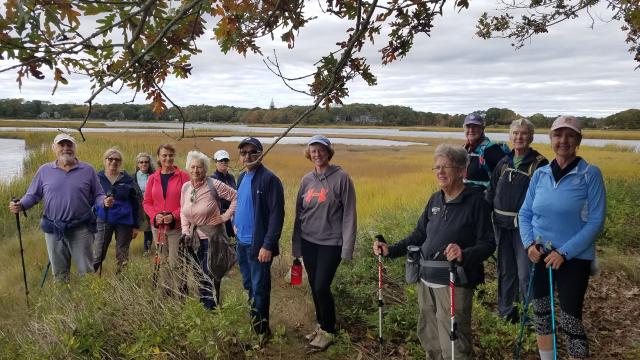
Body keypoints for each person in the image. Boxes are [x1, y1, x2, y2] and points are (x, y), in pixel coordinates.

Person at [373, 144, 495, 360]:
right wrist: (390, 250)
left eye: (445, 166)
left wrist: (463, 253)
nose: (440, 171)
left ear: (461, 170)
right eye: (436, 167)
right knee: (430, 338)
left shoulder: (476, 202)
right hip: (426, 278)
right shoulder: (435, 199)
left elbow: (488, 244)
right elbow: (418, 236)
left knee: (455, 342)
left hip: (454, 281)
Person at [519, 115, 606, 360]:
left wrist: (564, 252)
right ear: (551, 138)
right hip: (541, 254)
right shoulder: (540, 174)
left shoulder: (590, 174)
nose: (563, 140)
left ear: (578, 140)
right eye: (558, 135)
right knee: (542, 314)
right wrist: (529, 244)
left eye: (570, 135)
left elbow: (596, 221)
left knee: (571, 318)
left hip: (574, 258)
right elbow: (525, 213)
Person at [8, 133, 107, 282]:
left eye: (69, 145)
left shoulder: (88, 170)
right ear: (54, 148)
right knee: (59, 274)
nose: (66, 148)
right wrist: (21, 205)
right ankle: (62, 304)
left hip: (82, 228)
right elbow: (33, 195)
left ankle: (89, 304)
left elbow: (99, 195)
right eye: (62, 145)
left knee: (86, 272)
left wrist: (104, 201)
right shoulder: (44, 170)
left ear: (75, 148)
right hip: (53, 229)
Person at [292, 135, 357, 350]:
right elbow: (299, 213)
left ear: (328, 152)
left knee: (321, 286)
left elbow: (349, 214)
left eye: (321, 150)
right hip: (309, 241)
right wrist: (297, 245)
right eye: (313, 150)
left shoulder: (342, 178)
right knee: (313, 285)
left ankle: (329, 331)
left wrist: (347, 248)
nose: (317, 154)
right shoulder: (306, 180)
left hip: (331, 243)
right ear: (308, 154)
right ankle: (321, 326)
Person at [486, 118, 549, 323]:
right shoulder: (503, 163)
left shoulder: (540, 164)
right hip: (501, 227)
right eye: (515, 133)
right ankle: (506, 313)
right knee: (505, 272)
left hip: (526, 231)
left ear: (531, 137)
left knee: (525, 274)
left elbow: (545, 201)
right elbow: (491, 192)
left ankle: (530, 319)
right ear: (509, 136)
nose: (519, 137)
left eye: (523, 133)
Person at [233, 137, 285, 337]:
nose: (247, 156)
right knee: (249, 285)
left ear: (261, 154)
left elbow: (276, 215)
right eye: (243, 153)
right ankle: (255, 322)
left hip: (259, 247)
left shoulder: (269, 179)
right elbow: (241, 204)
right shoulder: (242, 177)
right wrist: (234, 225)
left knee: (259, 290)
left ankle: (261, 332)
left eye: (252, 152)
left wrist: (268, 245)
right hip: (242, 243)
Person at [180, 151, 237, 310]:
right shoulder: (185, 187)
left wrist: (225, 216)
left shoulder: (214, 185)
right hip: (193, 238)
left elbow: (236, 197)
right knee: (198, 273)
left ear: (205, 169)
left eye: (199, 167)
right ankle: (205, 304)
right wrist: (185, 231)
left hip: (212, 237)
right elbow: (182, 210)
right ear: (188, 168)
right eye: (193, 167)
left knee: (210, 272)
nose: (196, 170)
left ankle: (211, 307)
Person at [143, 144, 190, 293]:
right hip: (158, 227)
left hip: (176, 227)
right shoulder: (153, 178)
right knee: (162, 261)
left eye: (170, 155)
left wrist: (174, 215)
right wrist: (154, 216)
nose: (167, 158)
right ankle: (166, 293)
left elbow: (188, 202)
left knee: (175, 261)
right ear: (158, 157)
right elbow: (147, 202)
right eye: (164, 155)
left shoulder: (184, 176)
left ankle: (181, 294)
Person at [93, 148, 142, 274]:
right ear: (105, 161)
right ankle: (89, 279)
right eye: (110, 159)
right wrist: (102, 203)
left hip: (124, 221)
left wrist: (136, 226)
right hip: (104, 219)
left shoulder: (128, 179)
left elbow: (136, 202)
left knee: (122, 254)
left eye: (117, 159)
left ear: (121, 162)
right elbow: (90, 199)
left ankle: (121, 283)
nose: (113, 162)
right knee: (98, 253)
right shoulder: (97, 178)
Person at [462, 113, 509, 190]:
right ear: (464, 129)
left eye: (475, 126)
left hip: (485, 199)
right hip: (465, 198)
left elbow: (505, 178)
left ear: (482, 129)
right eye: (468, 126)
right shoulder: (463, 149)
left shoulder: (493, 149)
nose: (471, 130)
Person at [211, 149, 237, 239]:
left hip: (233, 214)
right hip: (220, 215)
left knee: (233, 239)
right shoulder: (213, 179)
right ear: (216, 162)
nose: (223, 162)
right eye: (220, 160)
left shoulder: (231, 177)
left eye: (225, 160)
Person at [134, 152, 155, 256]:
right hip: (138, 206)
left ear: (149, 164)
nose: (144, 164)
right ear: (138, 164)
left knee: (149, 228)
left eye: (146, 162)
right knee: (135, 227)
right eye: (141, 162)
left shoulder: (154, 176)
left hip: (151, 205)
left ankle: (147, 249)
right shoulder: (133, 177)